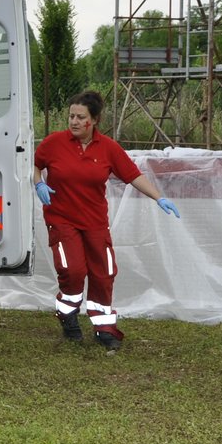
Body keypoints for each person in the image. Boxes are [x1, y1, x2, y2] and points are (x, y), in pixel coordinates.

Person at [32, 89, 179, 350]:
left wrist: (159, 197)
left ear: (95, 120)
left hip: (95, 222)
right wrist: (37, 183)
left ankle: (104, 328)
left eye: (81, 117)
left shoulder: (109, 148)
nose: (74, 122)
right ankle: (67, 313)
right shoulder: (54, 143)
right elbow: (34, 163)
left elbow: (133, 176)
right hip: (62, 219)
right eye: (71, 117)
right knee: (73, 270)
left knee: (104, 273)